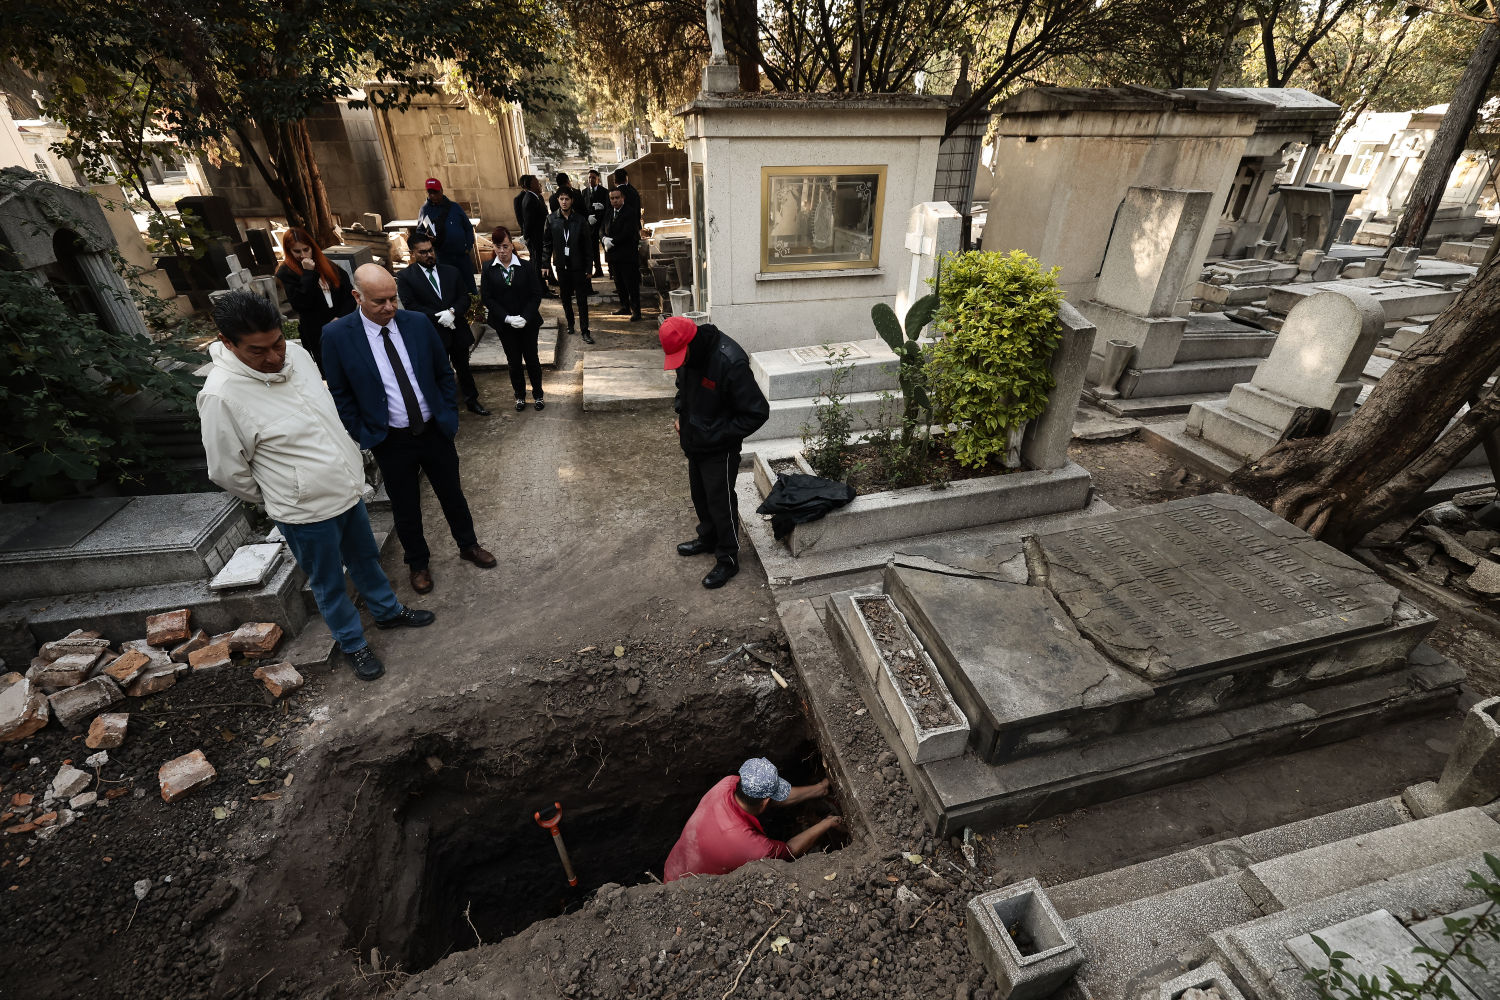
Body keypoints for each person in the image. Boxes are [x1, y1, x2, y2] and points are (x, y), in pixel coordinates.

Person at [197, 289, 434, 683]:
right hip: (304, 512)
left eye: (277, 344)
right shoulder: (222, 396)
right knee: (327, 581)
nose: (274, 358)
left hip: (344, 490)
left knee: (365, 559)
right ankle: (353, 641)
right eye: (258, 351)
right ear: (227, 343)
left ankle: (387, 611)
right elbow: (226, 471)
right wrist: (285, 492)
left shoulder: (299, 356)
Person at [321, 263, 497, 596]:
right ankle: (417, 563)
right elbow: (341, 392)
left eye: (393, 299)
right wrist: (364, 432)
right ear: (357, 297)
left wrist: (447, 415)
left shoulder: (416, 323)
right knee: (405, 506)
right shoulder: (337, 336)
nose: (389, 307)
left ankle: (468, 545)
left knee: (453, 495)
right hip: (390, 439)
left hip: (433, 430)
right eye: (379, 302)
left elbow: (443, 374)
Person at [662, 316, 769, 589]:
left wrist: (716, 434)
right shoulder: (689, 356)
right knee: (700, 495)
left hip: (719, 449)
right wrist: (680, 413)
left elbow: (757, 412)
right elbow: (682, 388)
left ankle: (728, 557)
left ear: (691, 343)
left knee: (720, 502)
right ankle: (708, 538)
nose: (680, 363)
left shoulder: (730, 361)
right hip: (694, 440)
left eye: (680, 357)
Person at [663, 758, 842, 882]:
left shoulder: (726, 785)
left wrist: (820, 788)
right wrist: (826, 823)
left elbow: (770, 798)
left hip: (673, 869)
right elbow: (790, 851)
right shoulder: (754, 847)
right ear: (765, 803)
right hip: (691, 890)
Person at [396, 231, 489, 416]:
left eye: (430, 250)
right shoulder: (406, 277)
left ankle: (472, 400)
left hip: (456, 329)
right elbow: (411, 305)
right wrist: (439, 316)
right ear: (412, 253)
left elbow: (464, 298)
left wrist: (452, 312)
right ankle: (446, 406)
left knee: (464, 368)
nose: (429, 255)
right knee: (440, 371)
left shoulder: (451, 271)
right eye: (422, 252)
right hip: (432, 333)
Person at [480, 227, 545, 412]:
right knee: (514, 361)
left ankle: (538, 395)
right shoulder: (488, 268)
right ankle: (520, 396)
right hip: (505, 325)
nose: (502, 251)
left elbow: (536, 294)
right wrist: (507, 318)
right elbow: (487, 297)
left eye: (505, 246)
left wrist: (525, 317)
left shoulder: (526, 266)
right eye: (498, 246)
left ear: (512, 246)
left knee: (532, 359)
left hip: (528, 323)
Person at [274, 228, 356, 368]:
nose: (303, 255)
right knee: (331, 367)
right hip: (317, 330)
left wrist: (340, 317)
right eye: (297, 251)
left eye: (306, 249)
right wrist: (308, 274)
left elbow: (349, 294)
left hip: (342, 323)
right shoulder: (286, 273)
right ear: (289, 251)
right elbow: (301, 303)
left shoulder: (327, 265)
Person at [543, 188, 594, 344]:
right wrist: (545, 263)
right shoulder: (551, 219)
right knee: (565, 298)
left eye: (567, 199)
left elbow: (588, 245)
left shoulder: (580, 220)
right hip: (561, 266)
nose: (564, 201)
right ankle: (570, 324)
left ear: (572, 200)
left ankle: (585, 330)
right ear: (558, 200)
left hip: (578, 266)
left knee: (581, 300)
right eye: (561, 199)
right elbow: (547, 244)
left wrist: (588, 268)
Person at [417, 178, 476, 295]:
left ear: (442, 191)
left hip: (461, 254)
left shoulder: (454, 207)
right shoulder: (425, 210)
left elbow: (468, 228)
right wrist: (427, 238)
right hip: (443, 256)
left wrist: (468, 246)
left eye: (435, 192)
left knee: (469, 285)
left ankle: (475, 309)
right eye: (430, 193)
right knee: (450, 285)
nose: (433, 195)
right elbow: (420, 232)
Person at [604, 187, 642, 321]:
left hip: (627, 255)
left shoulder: (630, 212)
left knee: (631, 283)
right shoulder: (609, 212)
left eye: (617, 198)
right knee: (619, 283)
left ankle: (636, 311)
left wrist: (612, 241)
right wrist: (603, 238)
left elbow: (627, 233)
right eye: (612, 198)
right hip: (613, 255)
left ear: (623, 198)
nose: (614, 200)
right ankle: (625, 307)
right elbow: (602, 228)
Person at [517, 175, 555, 298]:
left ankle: (544, 288)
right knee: (538, 265)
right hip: (536, 239)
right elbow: (528, 221)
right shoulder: (529, 199)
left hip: (540, 238)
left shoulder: (536, 197)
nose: (539, 184)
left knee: (540, 264)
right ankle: (541, 290)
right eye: (536, 182)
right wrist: (526, 237)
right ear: (530, 185)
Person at [583, 168, 610, 279]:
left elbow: (608, 208)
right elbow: (583, 208)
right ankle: (598, 269)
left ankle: (611, 270)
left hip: (602, 224)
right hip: (591, 225)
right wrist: (588, 217)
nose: (591, 179)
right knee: (593, 248)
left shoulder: (604, 191)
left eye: (593, 177)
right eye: (589, 177)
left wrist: (602, 209)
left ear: (598, 179)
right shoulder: (584, 192)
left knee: (606, 246)